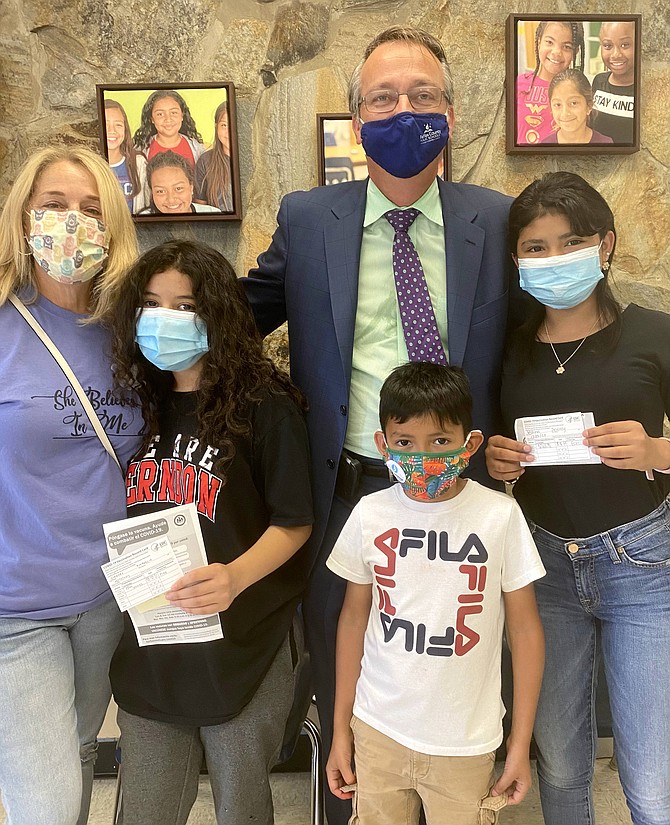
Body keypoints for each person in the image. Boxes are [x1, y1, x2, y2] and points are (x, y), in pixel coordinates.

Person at [243, 25, 518, 825]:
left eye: (423, 96)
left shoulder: (497, 222)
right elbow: (233, 321)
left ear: (452, 114)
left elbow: (539, 342)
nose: (405, 110)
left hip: (467, 498)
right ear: (358, 120)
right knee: (349, 682)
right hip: (351, 499)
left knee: (458, 676)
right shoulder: (307, 219)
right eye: (384, 98)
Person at [106, 240, 313, 825]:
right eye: (152, 304)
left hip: (244, 640)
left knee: (241, 809)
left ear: (216, 314)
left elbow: (294, 521)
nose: (165, 320)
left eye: (185, 306)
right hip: (153, 645)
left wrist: (235, 577)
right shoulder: (131, 405)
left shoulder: (266, 407)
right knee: (144, 810)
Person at [485, 171, 670, 825]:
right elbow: (486, 439)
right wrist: (493, 456)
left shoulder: (654, 332)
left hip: (643, 563)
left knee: (652, 779)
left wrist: (658, 452)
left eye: (571, 241)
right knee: (561, 770)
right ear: (516, 260)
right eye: (535, 247)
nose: (553, 258)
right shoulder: (505, 351)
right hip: (542, 565)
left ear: (607, 244)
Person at [325, 362, 545, 825]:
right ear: (382, 445)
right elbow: (352, 619)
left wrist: (520, 743)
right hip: (377, 731)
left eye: (440, 442)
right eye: (405, 443)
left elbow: (525, 631)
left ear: (471, 445)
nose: (422, 456)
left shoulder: (499, 516)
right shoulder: (370, 513)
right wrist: (341, 728)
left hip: (466, 743)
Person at [0, 146, 143, 825]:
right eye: (55, 206)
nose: (72, 222)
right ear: (24, 216)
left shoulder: (132, 330)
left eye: (91, 210)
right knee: (48, 805)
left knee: (83, 751)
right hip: (13, 607)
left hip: (104, 596)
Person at [516, 20, 585, 145]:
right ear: (538, 44)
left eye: (567, 47)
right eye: (549, 42)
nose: (556, 52)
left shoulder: (579, 91)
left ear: (575, 52)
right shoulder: (518, 84)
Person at [133, 90, 206, 169]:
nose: (168, 119)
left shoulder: (197, 148)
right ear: (152, 119)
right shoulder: (140, 151)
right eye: (160, 114)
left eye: (173, 113)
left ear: (182, 115)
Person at [591, 20, 636, 144]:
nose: (616, 54)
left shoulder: (645, 89)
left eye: (625, 45)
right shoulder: (598, 82)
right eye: (607, 46)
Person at [540, 70, 613, 145]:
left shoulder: (605, 144)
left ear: (589, 106)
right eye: (558, 105)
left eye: (573, 103)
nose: (565, 113)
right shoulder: (545, 145)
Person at [137, 151, 221, 215]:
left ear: (191, 187)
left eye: (178, 189)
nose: (171, 199)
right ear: (152, 193)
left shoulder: (213, 215)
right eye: (160, 191)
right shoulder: (140, 223)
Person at [104, 98, 150, 213]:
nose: (112, 130)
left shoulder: (139, 162)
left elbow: (148, 205)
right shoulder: (88, 165)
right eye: (106, 124)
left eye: (118, 125)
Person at [194, 101, 234, 212]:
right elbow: (200, 206)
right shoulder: (205, 161)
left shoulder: (254, 160)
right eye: (224, 125)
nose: (228, 132)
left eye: (233, 124)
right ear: (216, 127)